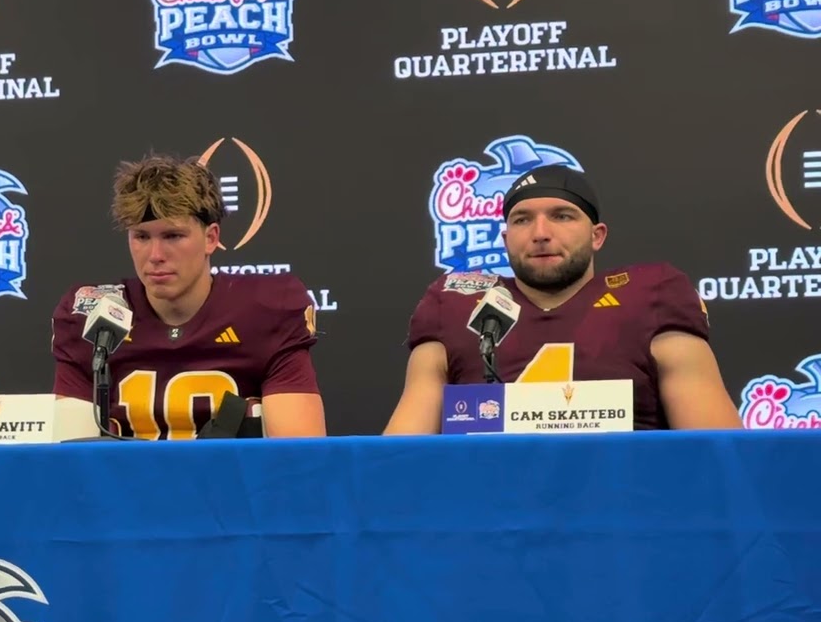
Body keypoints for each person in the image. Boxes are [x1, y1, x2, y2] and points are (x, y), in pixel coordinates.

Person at [383, 164, 742, 434]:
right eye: (523, 220)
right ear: (506, 239)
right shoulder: (457, 305)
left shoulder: (653, 297)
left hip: (626, 514)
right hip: (489, 518)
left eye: (562, 216)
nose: (541, 233)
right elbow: (400, 457)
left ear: (597, 235)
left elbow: (718, 453)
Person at [50, 153, 326, 439]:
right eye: (142, 237)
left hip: (231, 483)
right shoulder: (93, 314)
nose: (155, 256)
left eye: (173, 236)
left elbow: (298, 459)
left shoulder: (268, 310)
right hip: (126, 484)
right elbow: (71, 461)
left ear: (211, 238)